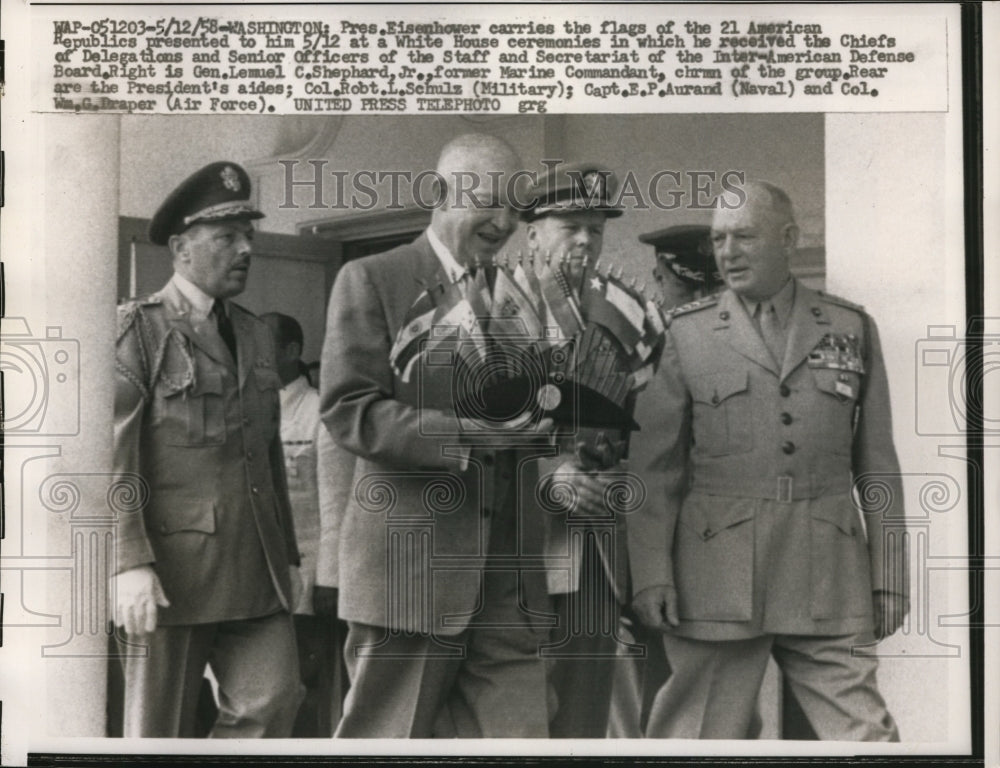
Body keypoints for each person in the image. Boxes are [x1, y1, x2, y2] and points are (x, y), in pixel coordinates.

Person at [628, 181, 909, 740]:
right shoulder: (688, 334)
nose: (727, 252)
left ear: (788, 239)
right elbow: (654, 472)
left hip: (826, 571)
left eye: (744, 237)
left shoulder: (850, 327)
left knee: (866, 735)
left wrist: (890, 576)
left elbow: (877, 464)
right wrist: (651, 575)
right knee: (697, 736)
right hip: (715, 577)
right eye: (719, 238)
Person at [321, 133, 556, 738]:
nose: (504, 220)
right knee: (388, 739)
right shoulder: (372, 278)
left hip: (507, 571)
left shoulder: (518, 296)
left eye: (516, 206)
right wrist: (469, 436)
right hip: (412, 571)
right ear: (439, 193)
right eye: (490, 200)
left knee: (523, 738)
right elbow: (350, 410)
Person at [111, 161, 303, 737]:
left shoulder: (254, 332)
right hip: (171, 570)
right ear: (181, 247)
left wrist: (288, 556)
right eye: (226, 237)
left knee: (274, 700)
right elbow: (115, 454)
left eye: (248, 236)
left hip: (255, 566)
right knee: (158, 728)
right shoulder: (138, 330)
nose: (246, 248)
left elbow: (264, 453)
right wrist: (128, 562)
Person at [522, 161, 631, 738]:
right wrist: (546, 475)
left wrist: (616, 482)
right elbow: (450, 432)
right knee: (512, 719)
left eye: (597, 226)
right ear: (533, 231)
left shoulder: (619, 317)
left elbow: (649, 432)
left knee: (585, 720)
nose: (587, 239)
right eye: (570, 225)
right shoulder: (493, 312)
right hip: (514, 551)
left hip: (597, 555)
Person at [261, 312, 344, 737]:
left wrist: (327, 578)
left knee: (308, 685)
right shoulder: (252, 409)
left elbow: (333, 503)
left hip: (307, 580)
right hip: (259, 579)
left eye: (266, 345)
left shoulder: (318, 413)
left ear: (292, 352)